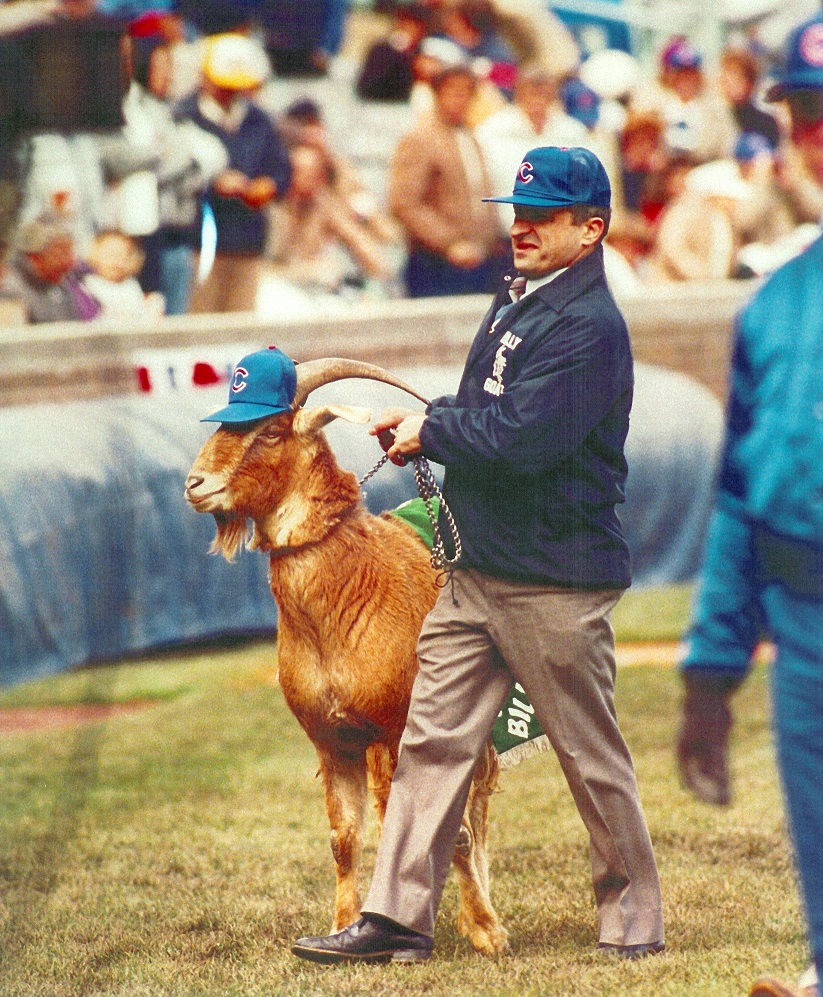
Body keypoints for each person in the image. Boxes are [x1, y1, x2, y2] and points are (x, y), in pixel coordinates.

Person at [291, 145, 665, 964]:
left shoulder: (590, 326)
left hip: (553, 581)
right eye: (517, 212)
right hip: (474, 569)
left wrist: (436, 428)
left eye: (542, 216)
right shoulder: (519, 300)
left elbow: (528, 439)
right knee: (428, 741)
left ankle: (633, 921)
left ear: (590, 228)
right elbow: (486, 403)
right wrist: (427, 423)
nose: (520, 227)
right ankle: (395, 919)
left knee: (587, 752)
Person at [675, 12, 823, 997]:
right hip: (804, 623)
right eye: (805, 114)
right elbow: (739, 496)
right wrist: (710, 666)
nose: (815, 136)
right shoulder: (774, 301)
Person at [176, 32, 292, 313]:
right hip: (200, 244)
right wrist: (213, 183)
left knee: (241, 325)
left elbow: (281, 169)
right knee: (200, 324)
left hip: (247, 242)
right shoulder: (183, 116)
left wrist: (269, 186)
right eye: (223, 86)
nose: (230, 94)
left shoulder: (258, 119)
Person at [389, 62, 503, 297]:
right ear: (438, 93)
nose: (459, 99)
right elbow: (404, 203)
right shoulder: (421, 138)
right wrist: (449, 243)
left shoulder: (472, 136)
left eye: (466, 92)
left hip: (479, 258)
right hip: (436, 263)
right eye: (453, 91)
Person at [3, 212, 101, 323]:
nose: (70, 262)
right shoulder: (10, 292)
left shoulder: (63, 284)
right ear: (33, 256)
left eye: (70, 253)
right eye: (61, 254)